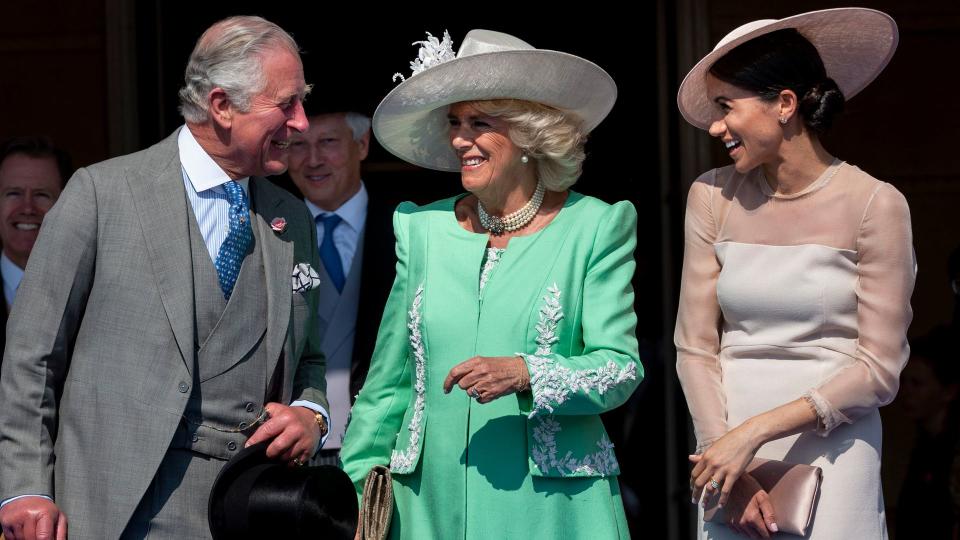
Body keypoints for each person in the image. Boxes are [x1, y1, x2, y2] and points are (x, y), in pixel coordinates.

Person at [0, 16, 329, 540]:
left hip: (249, 509)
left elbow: (309, 355)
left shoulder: (291, 218)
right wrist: (25, 487)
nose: (302, 123)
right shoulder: (101, 195)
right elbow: (32, 357)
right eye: (286, 103)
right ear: (222, 105)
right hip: (113, 508)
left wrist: (311, 414)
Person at [340, 29, 641, 539]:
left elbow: (620, 368)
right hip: (426, 501)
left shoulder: (595, 226)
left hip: (550, 506)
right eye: (455, 122)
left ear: (528, 134)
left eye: (480, 123)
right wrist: (355, 483)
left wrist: (527, 373)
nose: (460, 139)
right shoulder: (421, 229)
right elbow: (389, 381)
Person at [674, 8, 914, 539]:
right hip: (726, 454)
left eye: (725, 107)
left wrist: (755, 433)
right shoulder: (711, 196)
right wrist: (724, 453)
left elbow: (879, 367)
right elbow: (694, 347)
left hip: (834, 444)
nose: (715, 126)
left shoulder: (875, 204)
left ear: (784, 104)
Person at [284, 96, 398, 462]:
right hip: (294, 445)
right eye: (298, 145)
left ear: (362, 144)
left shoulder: (407, 227)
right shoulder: (267, 231)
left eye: (328, 142)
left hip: (383, 442)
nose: (313, 159)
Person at [0, 136, 70, 369]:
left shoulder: (92, 291)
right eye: (13, 194)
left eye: (42, 194)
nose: (28, 208)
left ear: (65, 203)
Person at [895, 327, 960, 538]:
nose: (906, 392)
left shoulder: (952, 453)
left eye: (917, 384)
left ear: (949, 391)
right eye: (903, 382)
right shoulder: (923, 446)